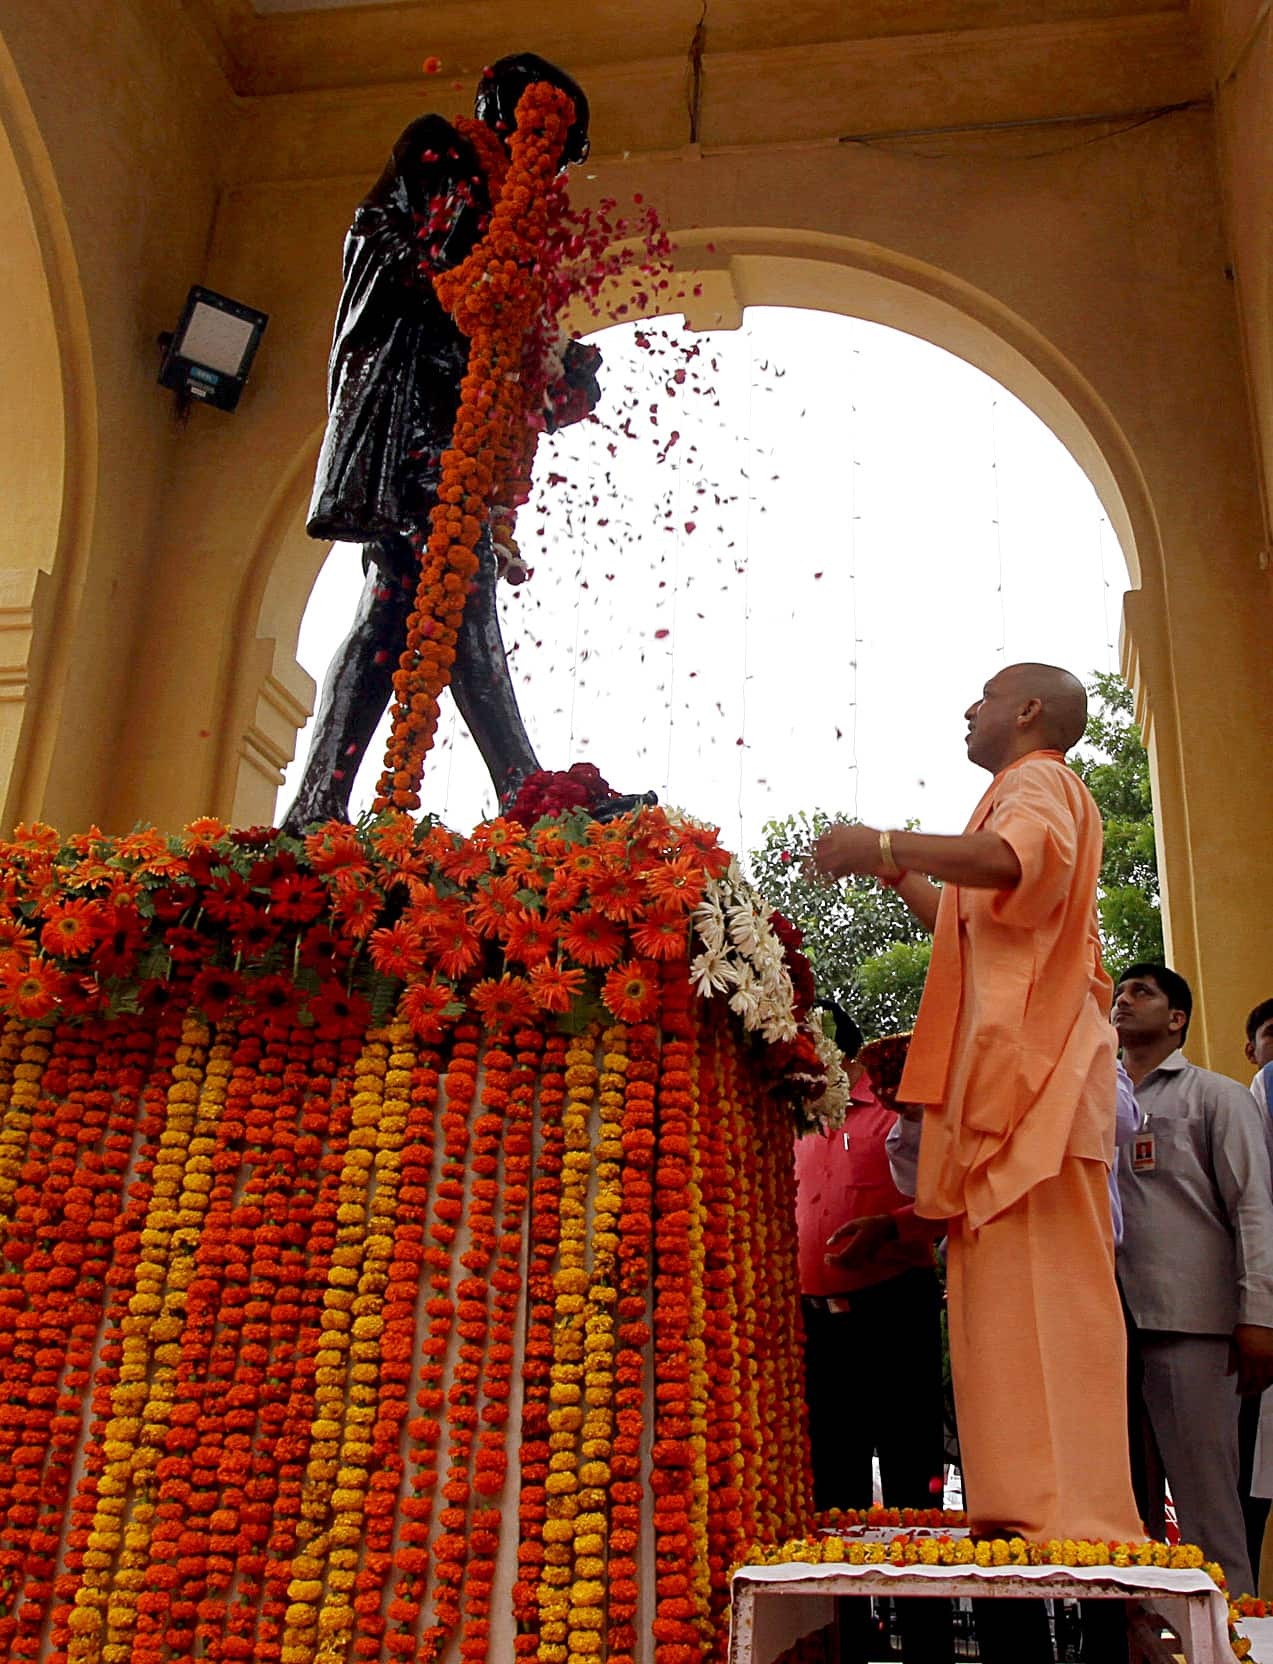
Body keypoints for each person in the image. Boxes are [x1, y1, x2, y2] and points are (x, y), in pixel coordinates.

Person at [810, 663, 1143, 1553]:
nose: (969, 709)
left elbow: (1005, 863)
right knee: (1000, 1311)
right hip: (1007, 1092)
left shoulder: (1038, 781)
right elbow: (973, 921)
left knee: (1053, 1304)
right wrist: (896, 881)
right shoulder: (1008, 793)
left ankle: (1077, 1511)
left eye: (986, 696)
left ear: (1028, 710)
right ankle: (1023, 1503)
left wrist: (883, 844)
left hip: (1039, 1085)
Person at [282, 54, 602, 832]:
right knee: (455, 577)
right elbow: (385, 244)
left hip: (457, 416)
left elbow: (504, 347)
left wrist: (558, 376)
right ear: (511, 111)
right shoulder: (441, 152)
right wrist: (464, 290)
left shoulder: (518, 215)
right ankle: (525, 793)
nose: (550, 160)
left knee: (394, 609)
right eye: (545, 134)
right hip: (410, 411)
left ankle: (317, 807)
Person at [794, 1005, 952, 1663]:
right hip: (813, 1329)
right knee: (832, 1490)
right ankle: (847, 1642)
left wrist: (893, 1226)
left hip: (894, 1312)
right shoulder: (793, 1122)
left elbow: (947, 1196)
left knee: (915, 1479)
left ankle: (928, 1645)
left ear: (832, 1048)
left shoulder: (897, 1110)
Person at [1114, 963, 1273, 1595]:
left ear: (1177, 1019)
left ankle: (1233, 1637)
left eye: (1142, 993)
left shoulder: (1215, 1096)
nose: (1123, 1001)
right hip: (1107, 1331)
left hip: (1193, 1327)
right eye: (1121, 993)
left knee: (1209, 1510)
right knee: (1125, 1518)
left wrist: (1258, 1316)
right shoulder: (1090, 1099)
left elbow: (1255, 1208)